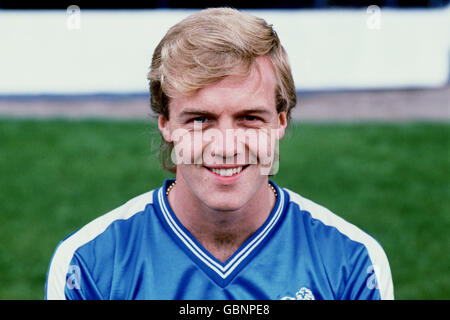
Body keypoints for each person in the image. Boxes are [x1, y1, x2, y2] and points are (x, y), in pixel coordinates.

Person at [45, 7, 394, 300]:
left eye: (249, 118)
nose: (226, 146)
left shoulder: (352, 260)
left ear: (280, 121)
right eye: (201, 119)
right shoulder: (89, 262)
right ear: (165, 123)